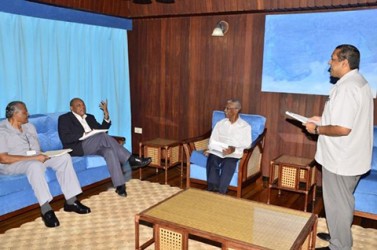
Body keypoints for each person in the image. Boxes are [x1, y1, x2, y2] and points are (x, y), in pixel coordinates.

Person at [304, 44, 373, 250]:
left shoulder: (347, 87)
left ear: (344, 62)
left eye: (332, 59)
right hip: (350, 157)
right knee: (340, 202)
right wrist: (321, 119)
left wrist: (316, 130)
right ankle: (338, 236)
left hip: (341, 159)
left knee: (339, 204)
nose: (329, 62)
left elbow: (343, 128)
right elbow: (344, 118)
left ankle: (340, 246)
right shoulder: (358, 82)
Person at [0, 101, 90, 228]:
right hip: (13, 163)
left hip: (35, 157)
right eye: (25, 112)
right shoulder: (2, 130)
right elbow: (3, 158)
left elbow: (36, 149)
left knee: (64, 158)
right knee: (35, 166)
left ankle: (71, 201)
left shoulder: (29, 127)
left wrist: (45, 155)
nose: (28, 114)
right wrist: (35, 157)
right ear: (15, 114)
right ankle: (46, 209)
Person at [58, 98, 151, 197]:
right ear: (71, 108)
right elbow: (65, 138)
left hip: (95, 145)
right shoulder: (64, 118)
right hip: (78, 147)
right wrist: (85, 134)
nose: (82, 107)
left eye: (83, 104)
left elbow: (103, 130)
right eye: (78, 105)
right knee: (102, 137)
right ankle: (130, 159)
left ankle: (120, 186)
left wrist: (106, 114)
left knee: (109, 151)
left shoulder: (90, 117)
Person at [205, 99, 252, 194]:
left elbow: (247, 145)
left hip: (233, 153)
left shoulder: (245, 127)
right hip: (218, 151)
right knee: (212, 159)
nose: (225, 111)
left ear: (237, 110)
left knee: (228, 163)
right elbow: (213, 139)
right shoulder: (220, 123)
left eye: (228, 108)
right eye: (225, 108)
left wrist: (233, 149)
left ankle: (221, 192)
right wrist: (210, 149)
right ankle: (213, 189)